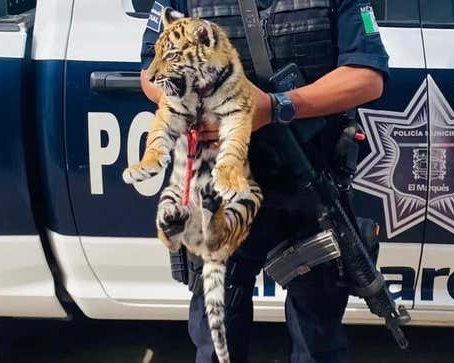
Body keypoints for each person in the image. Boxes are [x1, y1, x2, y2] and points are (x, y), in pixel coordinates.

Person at [139, 1, 389, 362]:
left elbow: (367, 76)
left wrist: (277, 106)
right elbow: (151, 70)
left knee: (318, 336)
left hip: (309, 180)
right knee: (217, 336)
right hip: (219, 187)